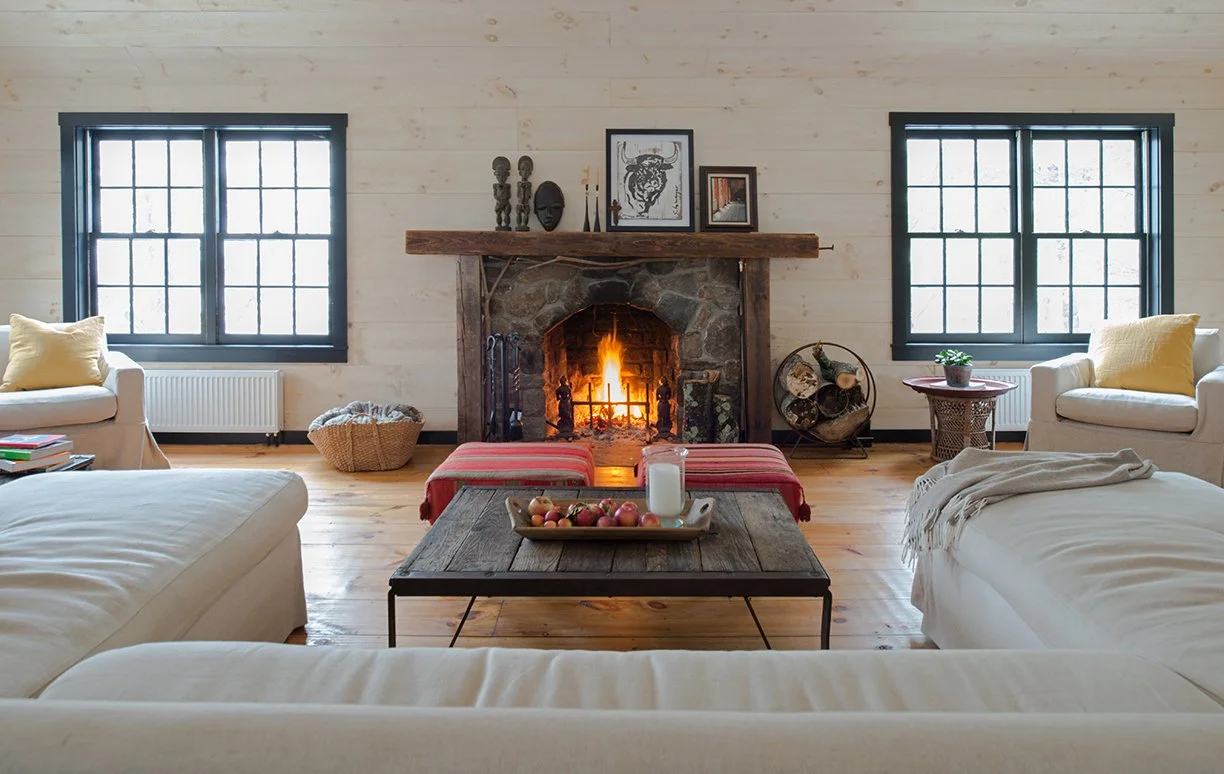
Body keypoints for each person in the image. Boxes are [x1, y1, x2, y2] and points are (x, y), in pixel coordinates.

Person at [492, 156, 512, 230]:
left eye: (503, 175)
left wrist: (505, 198)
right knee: (498, 214)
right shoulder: (495, 185)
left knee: (507, 214)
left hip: (506, 203)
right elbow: (495, 195)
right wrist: (499, 199)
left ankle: (507, 225)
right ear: (495, 174)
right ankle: (499, 225)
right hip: (499, 203)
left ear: (507, 175)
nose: (501, 178)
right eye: (499, 175)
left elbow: (509, 195)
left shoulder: (508, 186)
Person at [515, 156, 534, 231]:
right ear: (520, 172)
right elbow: (518, 194)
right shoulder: (519, 183)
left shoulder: (529, 184)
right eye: (523, 169)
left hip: (526, 203)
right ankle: (519, 225)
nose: (525, 172)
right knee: (519, 214)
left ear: (530, 173)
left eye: (527, 170)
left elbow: (529, 195)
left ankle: (525, 225)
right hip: (520, 203)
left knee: (526, 214)